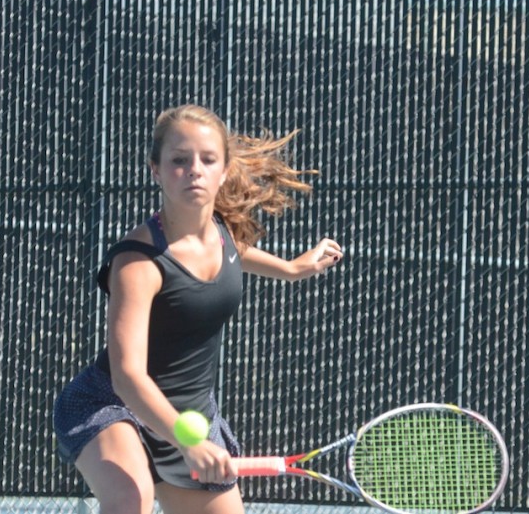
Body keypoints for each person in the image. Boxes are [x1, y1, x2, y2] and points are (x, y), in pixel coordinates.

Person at [53, 104, 343, 514]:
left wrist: (293, 269)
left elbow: (234, 253)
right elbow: (128, 377)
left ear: (224, 171)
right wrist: (187, 441)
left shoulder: (222, 236)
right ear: (155, 170)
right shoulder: (138, 261)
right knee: (129, 500)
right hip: (113, 404)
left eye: (208, 160)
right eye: (179, 160)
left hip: (191, 413)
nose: (194, 170)